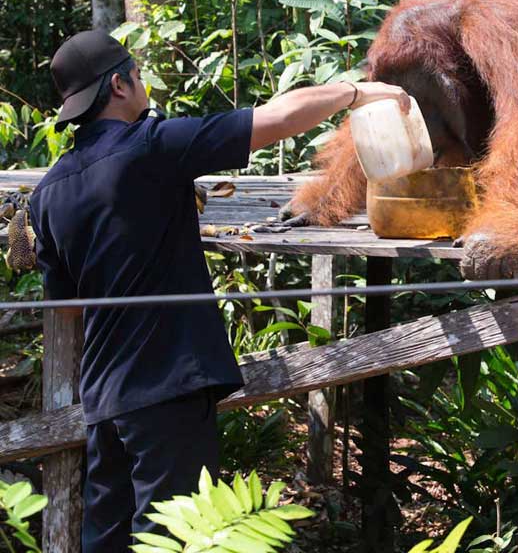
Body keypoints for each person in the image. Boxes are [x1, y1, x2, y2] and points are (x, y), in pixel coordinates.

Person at [27, 29, 409, 552]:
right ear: (118, 85)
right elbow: (274, 118)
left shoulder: (46, 195)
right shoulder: (151, 148)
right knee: (174, 538)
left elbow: (66, 309)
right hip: (167, 391)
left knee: (106, 540)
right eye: (138, 77)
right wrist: (355, 93)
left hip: (104, 400)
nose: (143, 87)